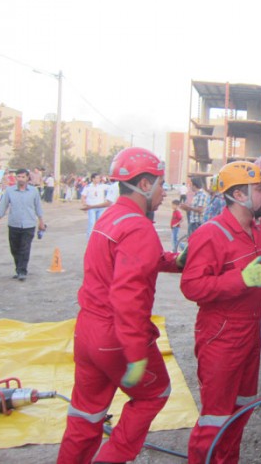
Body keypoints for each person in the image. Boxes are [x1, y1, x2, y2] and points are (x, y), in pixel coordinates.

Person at [58, 147, 181, 464]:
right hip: (115, 337)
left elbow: (128, 262)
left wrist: (174, 261)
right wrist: (136, 352)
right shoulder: (139, 227)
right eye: (161, 184)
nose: (164, 192)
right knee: (155, 393)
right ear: (144, 185)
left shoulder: (112, 217)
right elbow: (128, 296)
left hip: (88, 333)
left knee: (86, 413)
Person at [180, 161, 261, 464]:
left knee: (240, 410)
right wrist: (239, 280)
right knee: (215, 419)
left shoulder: (257, 230)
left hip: (249, 338)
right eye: (260, 189)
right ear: (239, 195)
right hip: (220, 339)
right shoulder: (210, 234)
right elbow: (191, 286)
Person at [0, 168, 46, 281]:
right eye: (18, 177)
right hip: (14, 224)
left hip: (29, 224)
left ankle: (22, 271)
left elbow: (38, 207)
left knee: (25, 248)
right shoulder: (10, 191)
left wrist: (41, 221)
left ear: (27, 178)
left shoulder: (34, 191)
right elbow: (3, 206)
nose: (20, 179)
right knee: (15, 249)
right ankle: (19, 269)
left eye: (23, 177)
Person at [81, 173, 111, 237]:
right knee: (91, 223)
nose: (99, 179)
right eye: (97, 178)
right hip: (91, 207)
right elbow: (83, 196)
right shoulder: (88, 187)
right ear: (93, 179)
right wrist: (84, 204)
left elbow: (112, 188)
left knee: (100, 224)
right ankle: (89, 238)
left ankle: (98, 237)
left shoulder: (102, 186)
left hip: (100, 207)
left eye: (99, 178)